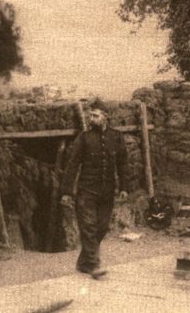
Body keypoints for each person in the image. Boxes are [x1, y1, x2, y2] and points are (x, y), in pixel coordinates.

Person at [60, 107, 130, 279]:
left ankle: (83, 262)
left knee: (102, 227)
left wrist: (124, 187)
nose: (92, 118)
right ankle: (93, 265)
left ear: (105, 117)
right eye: (90, 116)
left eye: (96, 115)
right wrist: (67, 191)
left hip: (107, 191)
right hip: (86, 190)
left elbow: (123, 164)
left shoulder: (116, 137)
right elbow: (72, 165)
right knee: (89, 227)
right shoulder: (84, 138)